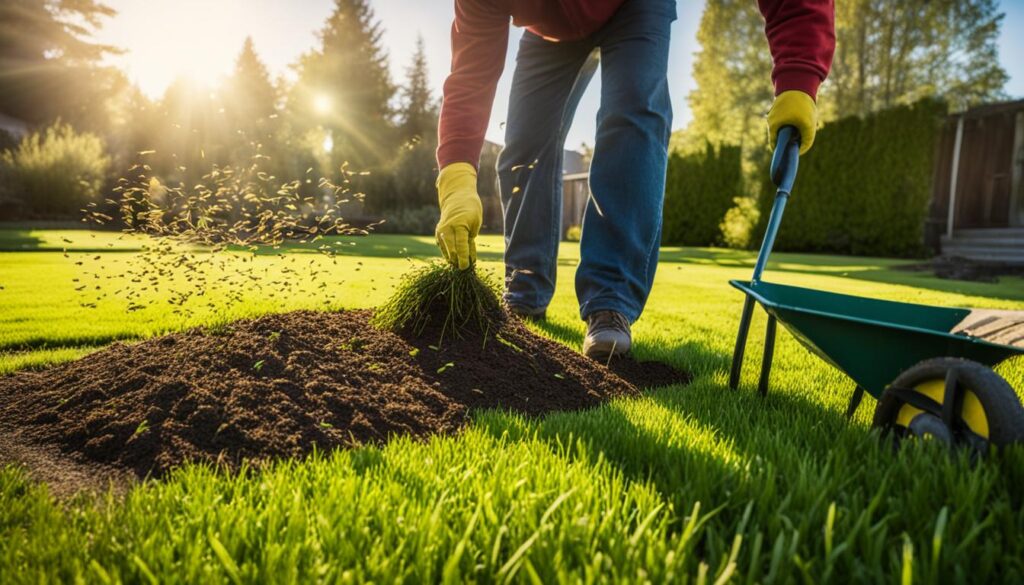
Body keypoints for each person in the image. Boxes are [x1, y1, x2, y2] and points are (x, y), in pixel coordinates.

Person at [434, 0, 835, 360]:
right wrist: (456, 175)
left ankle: (610, 300)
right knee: (523, 144)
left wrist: (799, 80)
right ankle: (523, 292)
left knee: (632, 117)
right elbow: (470, 75)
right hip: (548, 31)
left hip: (637, 7)